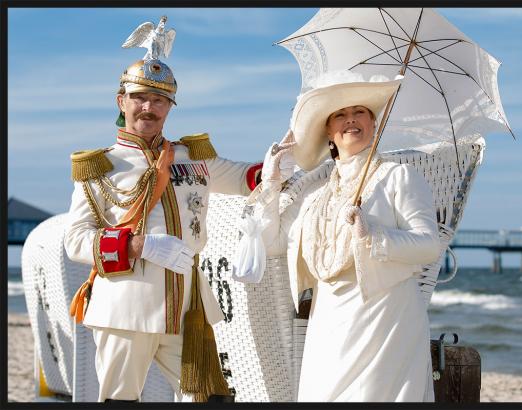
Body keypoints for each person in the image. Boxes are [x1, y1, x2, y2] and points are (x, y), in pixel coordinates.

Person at [64, 17, 262, 403]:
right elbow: (76, 239)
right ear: (122, 101)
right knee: (120, 400)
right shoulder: (100, 166)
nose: (149, 107)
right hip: (125, 307)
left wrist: (278, 163)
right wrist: (140, 246)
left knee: (212, 398)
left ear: (170, 108)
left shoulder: (192, 157)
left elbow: (245, 178)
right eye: (139, 97)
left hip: (185, 307)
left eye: (159, 100)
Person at [254, 70, 441, 402]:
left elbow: (429, 245)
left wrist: (373, 235)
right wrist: (269, 184)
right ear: (328, 129)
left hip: (386, 318)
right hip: (328, 320)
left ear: (373, 123)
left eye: (360, 112)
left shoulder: (398, 177)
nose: (350, 120)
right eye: (340, 114)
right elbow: (270, 243)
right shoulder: (315, 197)